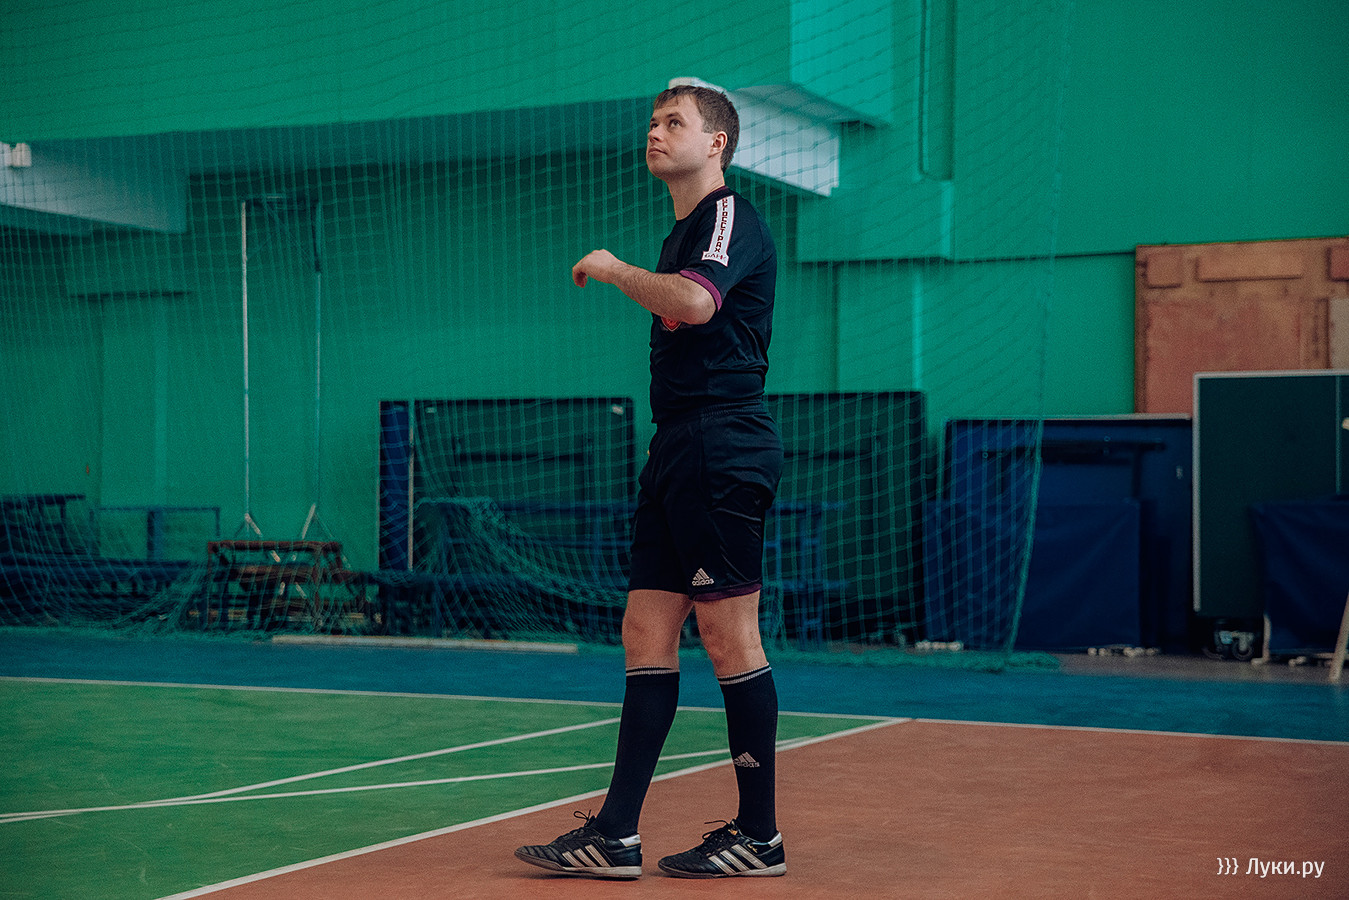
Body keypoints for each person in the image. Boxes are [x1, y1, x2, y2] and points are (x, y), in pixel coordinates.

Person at [514, 83, 785, 880]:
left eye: (674, 123)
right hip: (676, 446)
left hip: (722, 443)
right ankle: (615, 834)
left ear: (717, 143)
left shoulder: (729, 216)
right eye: (652, 122)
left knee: (728, 636)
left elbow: (696, 304)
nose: (655, 132)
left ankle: (759, 837)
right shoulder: (681, 233)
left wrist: (612, 269)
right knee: (644, 630)